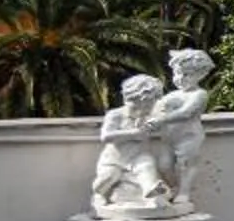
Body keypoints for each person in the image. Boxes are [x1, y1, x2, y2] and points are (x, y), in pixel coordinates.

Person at [90, 75, 168, 211]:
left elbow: (162, 120)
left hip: (138, 156)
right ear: (139, 100)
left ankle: (154, 196)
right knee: (108, 177)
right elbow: (106, 136)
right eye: (151, 101)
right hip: (114, 159)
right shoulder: (116, 115)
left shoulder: (148, 117)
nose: (153, 105)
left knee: (147, 169)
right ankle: (98, 194)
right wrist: (133, 134)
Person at [150, 48, 215, 203]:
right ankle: (173, 187)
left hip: (188, 137)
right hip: (168, 138)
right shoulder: (172, 95)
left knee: (185, 165)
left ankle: (184, 192)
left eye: (186, 74)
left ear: (200, 75)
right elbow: (157, 108)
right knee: (164, 165)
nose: (180, 78)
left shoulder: (199, 94)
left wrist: (161, 120)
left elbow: (186, 113)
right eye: (177, 73)